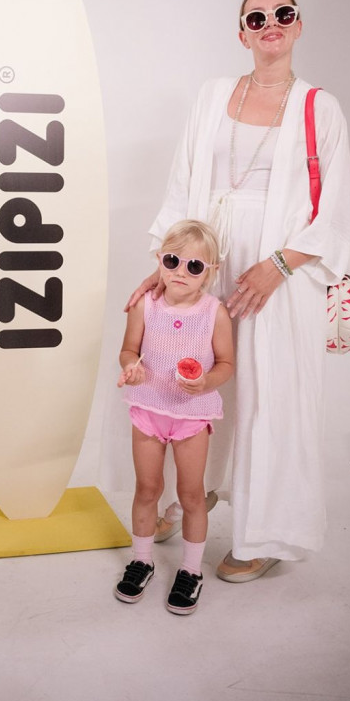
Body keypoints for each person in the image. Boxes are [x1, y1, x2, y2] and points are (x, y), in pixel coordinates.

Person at [128, 0, 350, 583]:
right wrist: (166, 265)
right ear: (242, 33)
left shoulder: (320, 107)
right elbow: (182, 183)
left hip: (282, 270)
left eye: (282, 13)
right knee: (195, 372)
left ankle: (266, 530)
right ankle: (192, 493)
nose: (270, 23)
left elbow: (336, 209)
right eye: (256, 17)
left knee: (270, 391)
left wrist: (277, 265)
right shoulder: (212, 96)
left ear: (298, 25)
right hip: (209, 259)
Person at [115, 220, 234, 614]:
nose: (181, 272)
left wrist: (206, 382)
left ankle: (191, 570)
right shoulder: (145, 304)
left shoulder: (214, 312)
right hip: (148, 410)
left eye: (194, 266)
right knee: (147, 489)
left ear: (211, 271)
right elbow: (128, 350)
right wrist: (131, 367)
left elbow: (226, 363)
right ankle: (141, 560)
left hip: (192, 416)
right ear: (159, 260)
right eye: (172, 261)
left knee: (191, 495)